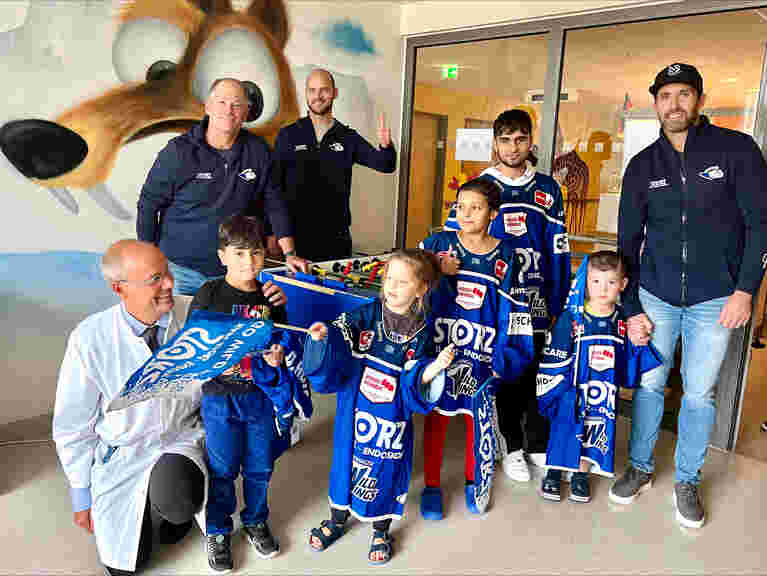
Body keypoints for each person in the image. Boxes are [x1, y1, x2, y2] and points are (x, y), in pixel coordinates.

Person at [614, 63, 767, 528]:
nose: (674, 103)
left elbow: (761, 225)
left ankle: (686, 477)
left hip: (714, 298)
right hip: (656, 295)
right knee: (650, 384)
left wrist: (745, 291)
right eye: (665, 95)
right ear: (655, 102)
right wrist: (631, 306)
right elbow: (626, 243)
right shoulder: (643, 166)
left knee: (699, 393)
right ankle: (640, 468)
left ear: (698, 100)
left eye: (684, 94)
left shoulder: (737, 150)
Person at [53, 240, 207, 575]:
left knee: (178, 500)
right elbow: (72, 425)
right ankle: (147, 509)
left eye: (167, 272)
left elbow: (242, 328)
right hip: (124, 452)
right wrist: (82, 496)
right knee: (124, 568)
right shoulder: (90, 338)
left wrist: (270, 307)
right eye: (155, 279)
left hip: (180, 438)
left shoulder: (197, 314)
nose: (169, 283)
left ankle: (172, 511)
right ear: (119, 288)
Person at [304, 250, 455, 565]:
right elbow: (339, 331)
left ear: (421, 289)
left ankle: (381, 528)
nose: (392, 287)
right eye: (389, 279)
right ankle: (336, 519)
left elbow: (418, 376)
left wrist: (434, 368)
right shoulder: (369, 312)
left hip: (391, 415)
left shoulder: (424, 328)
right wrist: (323, 335)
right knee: (346, 461)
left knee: (386, 465)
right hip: (355, 404)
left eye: (402, 282)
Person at [444, 109, 571, 484]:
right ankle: (511, 446)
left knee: (536, 372)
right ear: (494, 143)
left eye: (519, 139)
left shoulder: (548, 189)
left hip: (536, 300)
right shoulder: (479, 186)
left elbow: (559, 252)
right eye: (504, 139)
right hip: (493, 303)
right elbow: (458, 244)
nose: (512, 147)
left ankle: (536, 444)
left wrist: (559, 302)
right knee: (504, 370)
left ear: (530, 141)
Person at [419, 178, 534, 519]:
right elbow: (405, 282)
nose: (466, 213)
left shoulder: (508, 254)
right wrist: (435, 268)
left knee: (477, 420)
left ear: (493, 214)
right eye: (460, 206)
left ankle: (473, 480)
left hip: (483, 353)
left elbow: (516, 312)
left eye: (476, 207)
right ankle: (431, 486)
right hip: (442, 350)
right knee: (436, 418)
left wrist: (506, 357)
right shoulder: (437, 244)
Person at [137, 78, 308, 295]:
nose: (229, 110)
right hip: (180, 273)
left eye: (237, 105)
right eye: (222, 102)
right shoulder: (178, 152)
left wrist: (290, 253)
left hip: (235, 274)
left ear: (246, 112)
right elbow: (148, 205)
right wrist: (149, 258)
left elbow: (274, 204)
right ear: (208, 107)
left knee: (233, 329)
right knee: (180, 329)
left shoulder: (259, 152)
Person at [188, 214, 292, 571]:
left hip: (259, 397)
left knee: (260, 465)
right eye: (240, 253)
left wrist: (277, 358)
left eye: (257, 253)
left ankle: (255, 520)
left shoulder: (271, 296)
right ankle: (218, 529)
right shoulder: (209, 293)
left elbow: (282, 339)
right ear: (223, 256)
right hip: (219, 398)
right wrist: (220, 360)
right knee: (222, 467)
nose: (249, 262)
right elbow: (192, 346)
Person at [536, 252, 661, 503]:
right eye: (595, 282)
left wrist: (640, 343)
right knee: (564, 426)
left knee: (596, 428)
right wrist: (556, 386)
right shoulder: (573, 317)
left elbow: (630, 356)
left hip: (603, 391)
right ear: (586, 282)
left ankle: (581, 474)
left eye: (610, 283)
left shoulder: (623, 320)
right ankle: (554, 472)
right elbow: (554, 355)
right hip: (572, 388)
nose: (602, 289)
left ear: (623, 284)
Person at [272, 68, 397, 262]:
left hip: (336, 238)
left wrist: (385, 145)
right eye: (312, 90)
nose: (318, 96)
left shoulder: (347, 137)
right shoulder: (288, 135)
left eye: (324, 90)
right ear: (305, 93)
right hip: (294, 239)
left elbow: (385, 165)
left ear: (335, 93)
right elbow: (274, 188)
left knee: (333, 291)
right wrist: (275, 233)